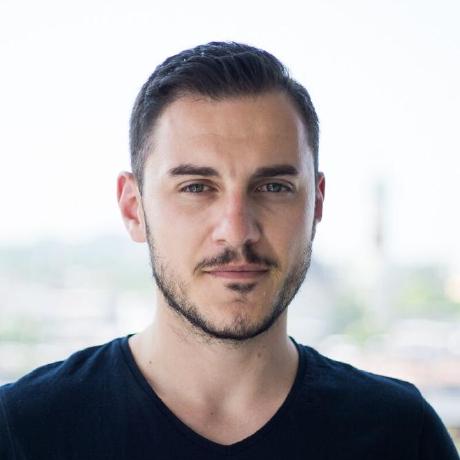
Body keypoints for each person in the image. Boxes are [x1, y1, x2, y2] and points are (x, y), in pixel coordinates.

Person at [0, 42, 458, 460]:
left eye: (274, 187)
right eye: (197, 187)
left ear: (317, 203)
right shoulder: (23, 430)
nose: (237, 231)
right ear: (133, 208)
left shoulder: (401, 435)